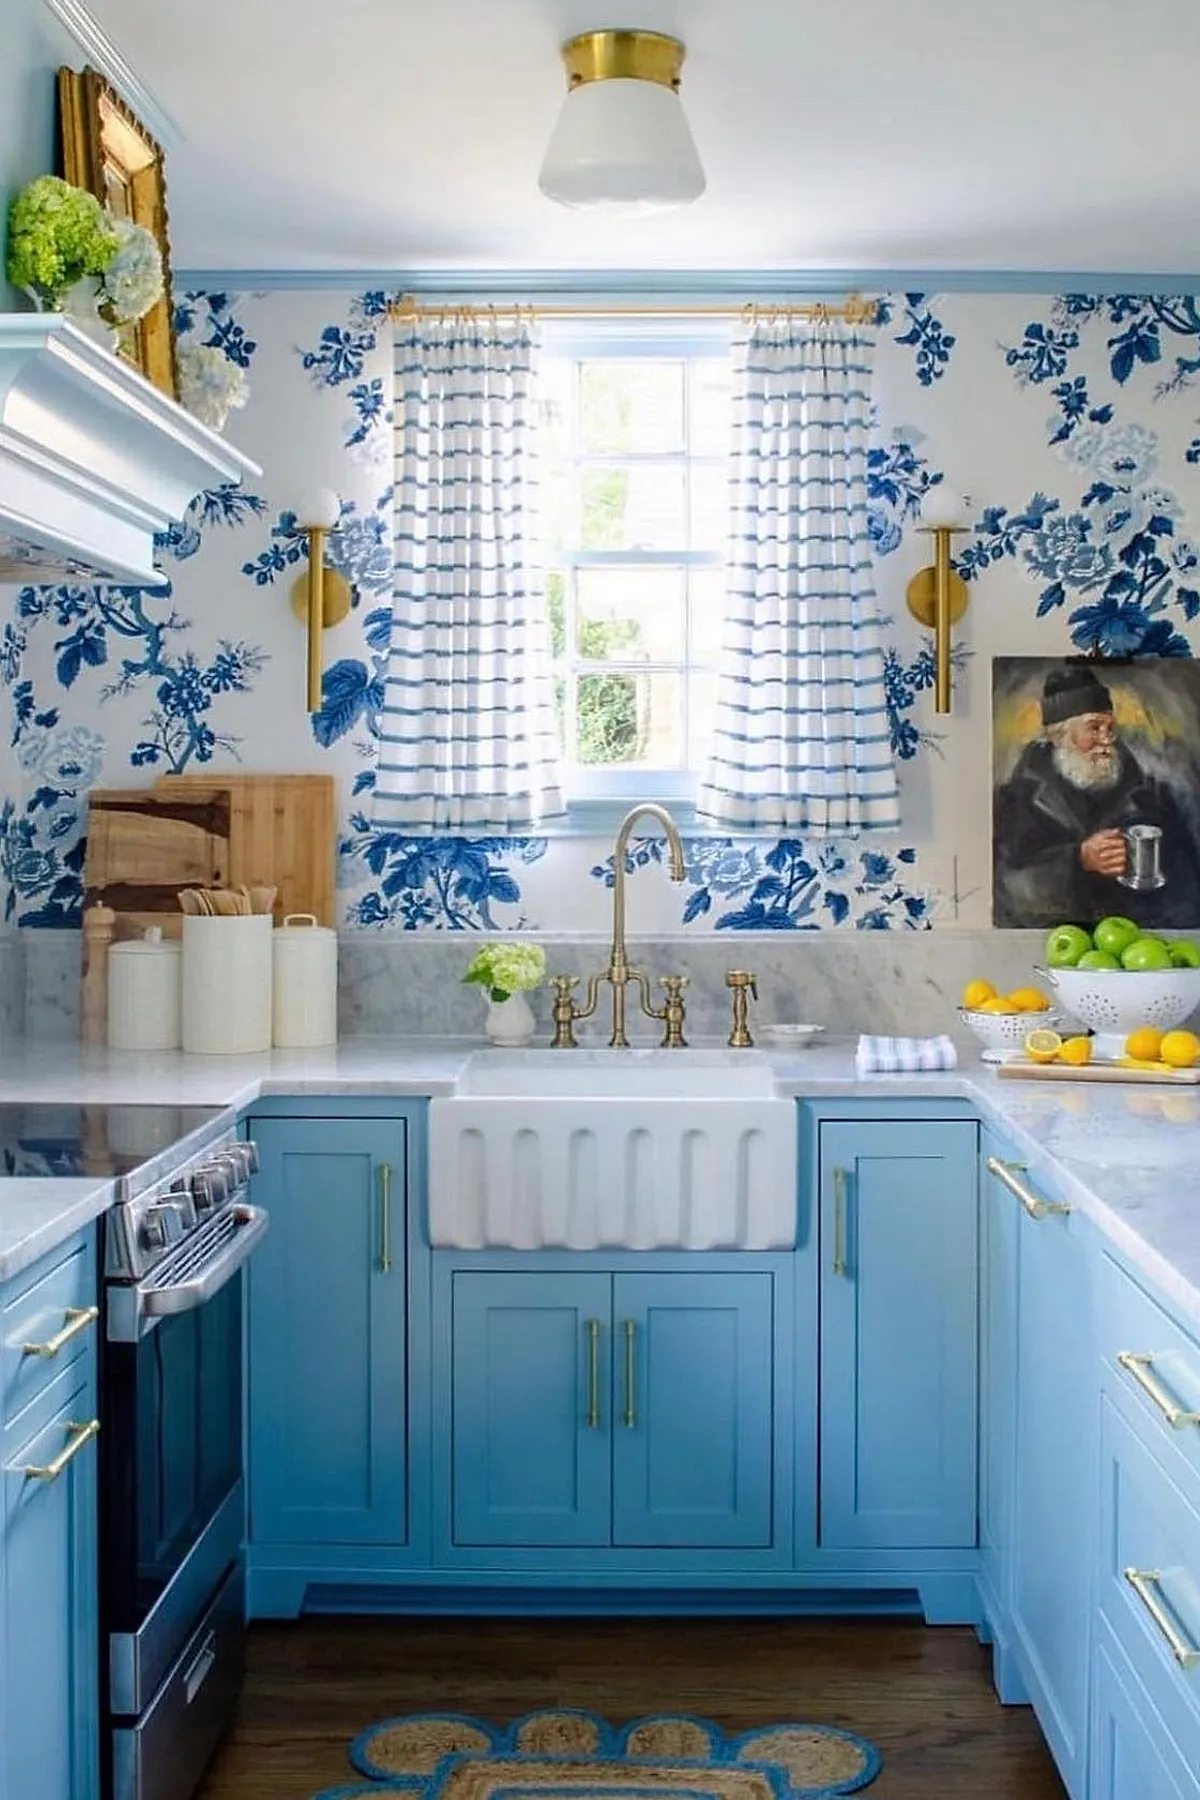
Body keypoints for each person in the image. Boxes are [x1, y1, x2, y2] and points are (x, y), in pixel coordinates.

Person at [993, 665, 1200, 928]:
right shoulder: (1018, 799)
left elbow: (1188, 887)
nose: (1106, 740)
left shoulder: (1151, 795)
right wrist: (1078, 860)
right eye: (1094, 728)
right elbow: (1009, 891)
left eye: (1110, 728)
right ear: (1059, 736)